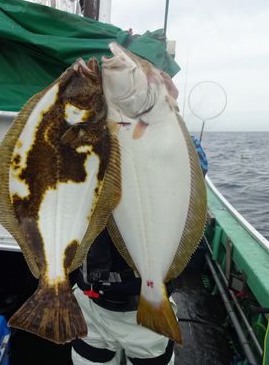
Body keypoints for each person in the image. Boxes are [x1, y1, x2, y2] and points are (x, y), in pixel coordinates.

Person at [71, 138, 208, 365]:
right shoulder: (87, 142)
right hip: (91, 307)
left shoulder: (174, 144)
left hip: (149, 310)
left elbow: (192, 179)